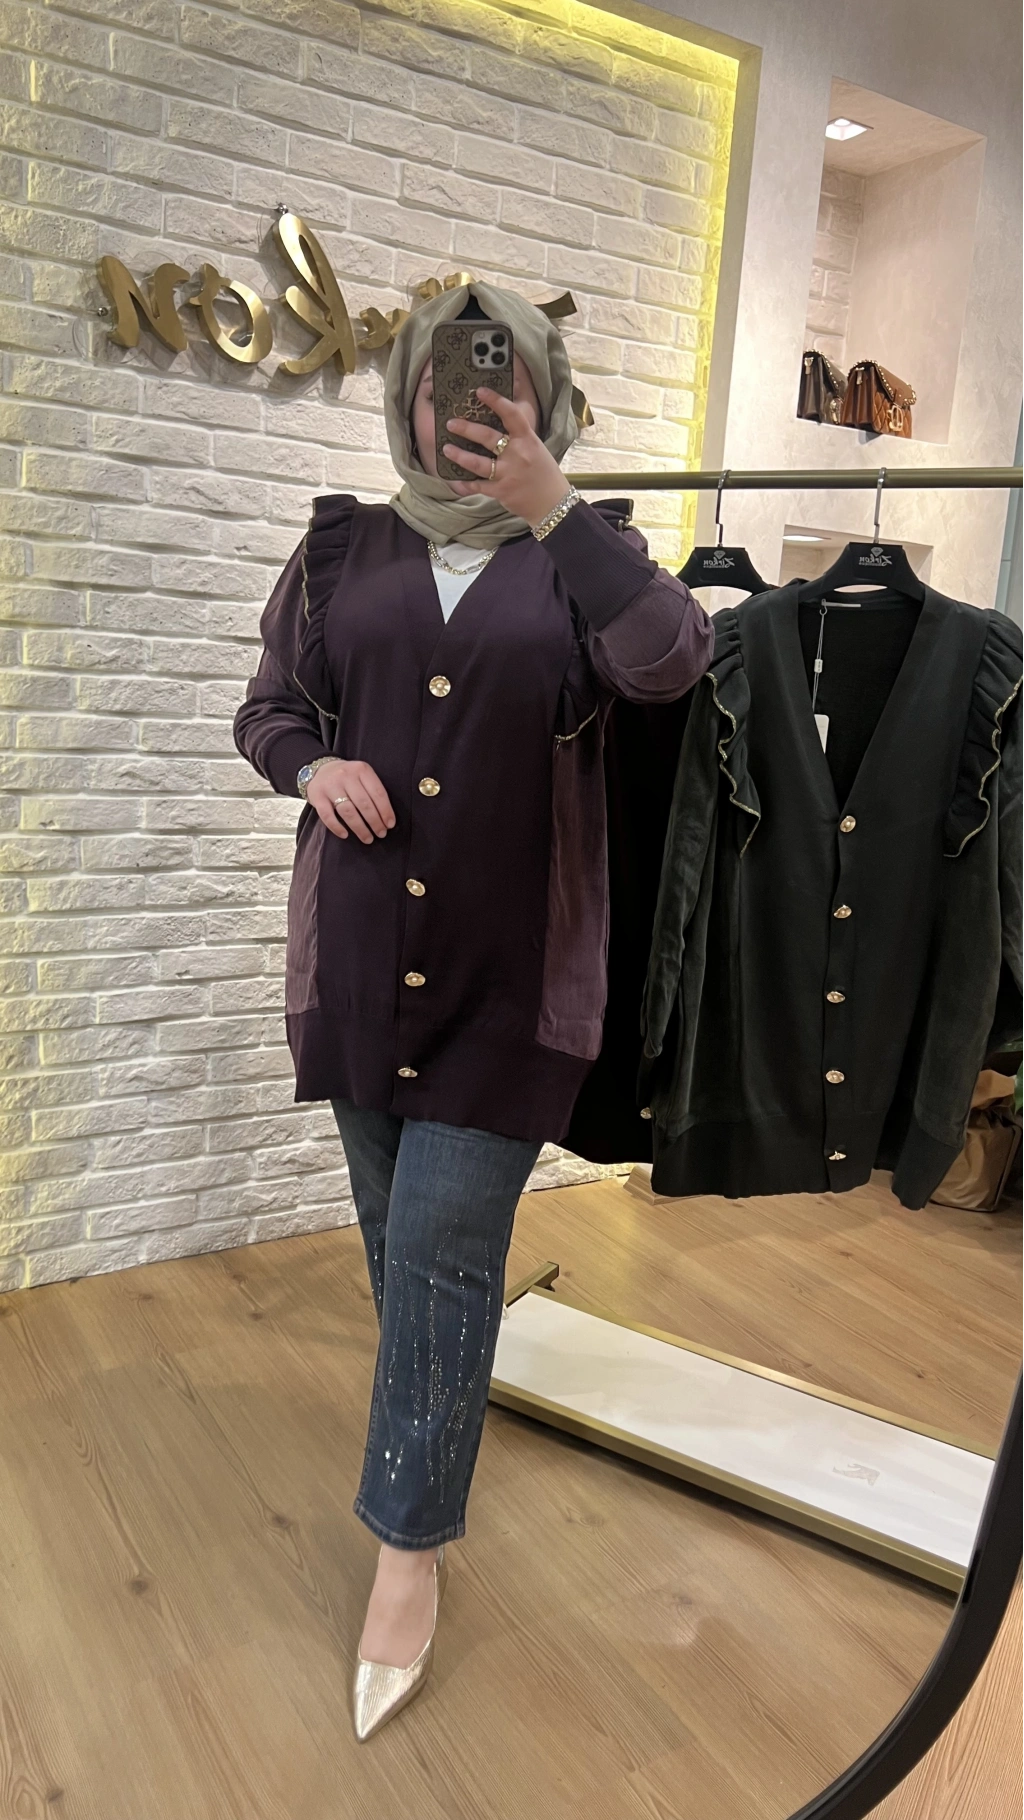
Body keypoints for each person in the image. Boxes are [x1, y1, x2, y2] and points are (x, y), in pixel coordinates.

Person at [233, 279, 713, 1740]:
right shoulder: (340, 551)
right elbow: (270, 709)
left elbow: (673, 663)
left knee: (442, 1249)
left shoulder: (589, 558)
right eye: (446, 388)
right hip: (360, 959)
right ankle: (439, 1399)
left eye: (503, 390)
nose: (470, 414)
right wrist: (313, 768)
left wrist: (551, 503)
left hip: (515, 974)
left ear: (546, 397)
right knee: (405, 1248)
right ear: (408, 398)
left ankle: (408, 1551)